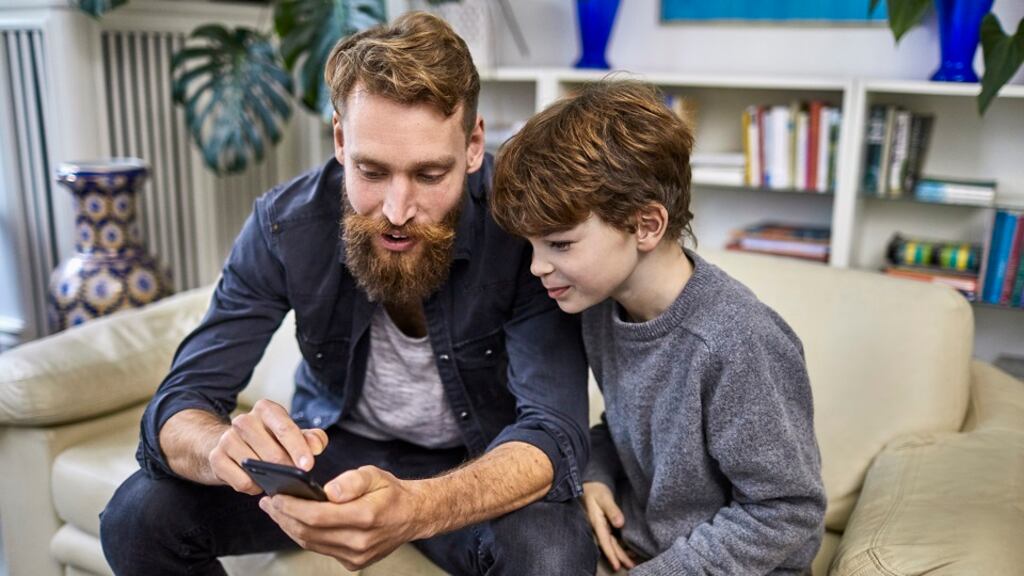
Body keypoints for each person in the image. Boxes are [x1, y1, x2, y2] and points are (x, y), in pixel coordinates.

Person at [99, 12, 597, 576]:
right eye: (372, 170)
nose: (397, 211)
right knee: (136, 517)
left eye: (431, 175)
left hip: (477, 457)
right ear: (340, 139)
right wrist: (220, 449)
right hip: (329, 452)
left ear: (474, 144)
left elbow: (553, 433)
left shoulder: (520, 227)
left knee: (554, 552)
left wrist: (416, 507)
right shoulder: (287, 226)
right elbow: (180, 400)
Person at [491, 81, 827, 575]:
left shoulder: (737, 341)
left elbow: (787, 512)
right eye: (532, 246)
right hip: (644, 552)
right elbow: (629, 428)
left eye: (559, 245)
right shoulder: (601, 309)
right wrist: (597, 474)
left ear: (646, 225)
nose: (537, 268)